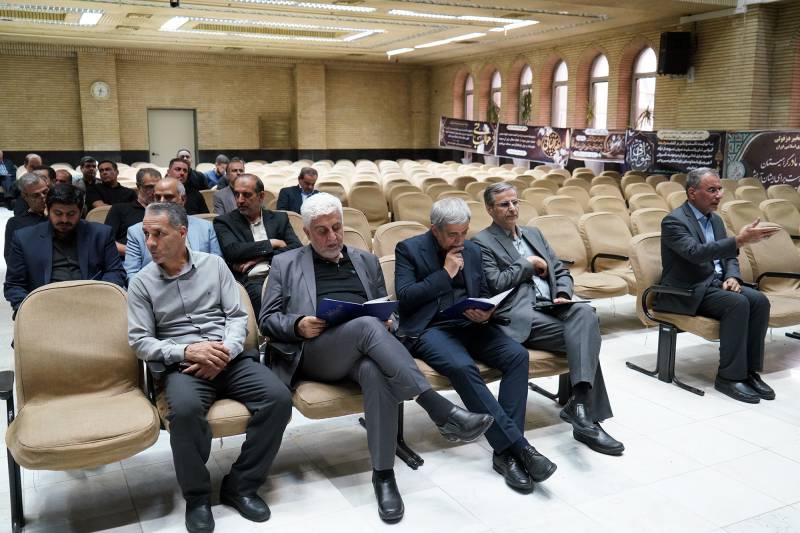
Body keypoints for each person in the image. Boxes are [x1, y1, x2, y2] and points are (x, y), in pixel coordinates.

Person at [259, 193, 492, 523]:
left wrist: (390, 322)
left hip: (363, 350)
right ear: (307, 233)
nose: (332, 237)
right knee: (367, 326)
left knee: (374, 370)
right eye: (322, 231)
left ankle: (384, 476)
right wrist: (297, 324)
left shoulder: (366, 261)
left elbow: (387, 309)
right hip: (315, 352)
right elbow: (267, 320)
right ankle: (436, 406)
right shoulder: (286, 263)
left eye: (337, 227)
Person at [128, 202, 291, 533]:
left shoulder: (214, 266)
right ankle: (198, 497)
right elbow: (140, 341)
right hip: (184, 365)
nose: (150, 243)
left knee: (278, 400)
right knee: (185, 413)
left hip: (229, 358)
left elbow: (237, 316)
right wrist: (187, 351)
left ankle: (241, 485)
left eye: (158, 234)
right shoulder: (142, 283)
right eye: (146, 234)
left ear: (182, 233)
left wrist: (225, 352)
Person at [395, 197, 557, 493]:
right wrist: (445, 274)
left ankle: (505, 452)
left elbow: (482, 291)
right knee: (462, 366)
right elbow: (405, 298)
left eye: (464, 233)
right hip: (431, 329)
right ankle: (519, 448)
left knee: (517, 355)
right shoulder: (408, 249)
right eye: (452, 235)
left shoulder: (472, 249)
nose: (459, 241)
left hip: (470, 324)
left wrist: (486, 312)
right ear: (434, 229)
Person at [473, 183, 623, 455]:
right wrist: (528, 263)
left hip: (552, 305)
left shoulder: (534, 233)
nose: (512, 208)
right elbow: (495, 283)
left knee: (585, 313)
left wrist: (563, 293)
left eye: (515, 202)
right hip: (519, 313)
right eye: (504, 204)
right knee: (585, 339)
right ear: (490, 209)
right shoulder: (481, 242)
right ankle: (587, 421)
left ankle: (579, 404)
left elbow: (560, 271)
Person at [655, 167, 779, 403]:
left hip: (716, 285)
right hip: (689, 290)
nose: (719, 195)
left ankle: (749, 371)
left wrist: (732, 277)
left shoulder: (717, 221)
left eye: (720, 189)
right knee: (737, 303)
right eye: (712, 190)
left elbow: (729, 256)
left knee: (759, 301)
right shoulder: (673, 221)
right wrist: (739, 240)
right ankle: (729, 377)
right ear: (692, 193)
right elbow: (695, 253)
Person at [4, 183, 125, 315]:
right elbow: (14, 284)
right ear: (47, 210)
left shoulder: (101, 234)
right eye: (58, 213)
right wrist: (28, 309)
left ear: (81, 212)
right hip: (44, 308)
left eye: (71, 214)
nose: (64, 219)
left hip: (92, 306)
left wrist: (98, 296)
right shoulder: (25, 238)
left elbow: (116, 272)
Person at [214, 174, 302, 313]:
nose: (240, 200)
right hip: (253, 280)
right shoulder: (225, 222)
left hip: (283, 274)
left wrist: (260, 258)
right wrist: (272, 243)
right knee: (267, 300)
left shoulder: (279, 218)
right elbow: (233, 251)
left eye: (246, 195)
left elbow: (296, 248)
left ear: (261, 196)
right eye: (236, 194)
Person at [125, 177, 221, 279]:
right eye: (157, 197)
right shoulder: (136, 232)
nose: (162, 202)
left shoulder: (206, 227)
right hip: (156, 286)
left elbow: (216, 266)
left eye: (168, 197)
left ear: (183, 199)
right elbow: (132, 274)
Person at [105, 168, 161, 256]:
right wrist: (138, 252)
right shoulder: (120, 209)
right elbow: (107, 241)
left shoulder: (165, 211)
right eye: (149, 187)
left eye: (158, 187)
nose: (154, 191)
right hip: (127, 257)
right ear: (138, 186)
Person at [4, 173, 48, 260]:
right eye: (36, 195)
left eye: (45, 192)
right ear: (25, 196)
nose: (43, 197)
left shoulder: (62, 216)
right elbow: (10, 258)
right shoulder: (15, 223)